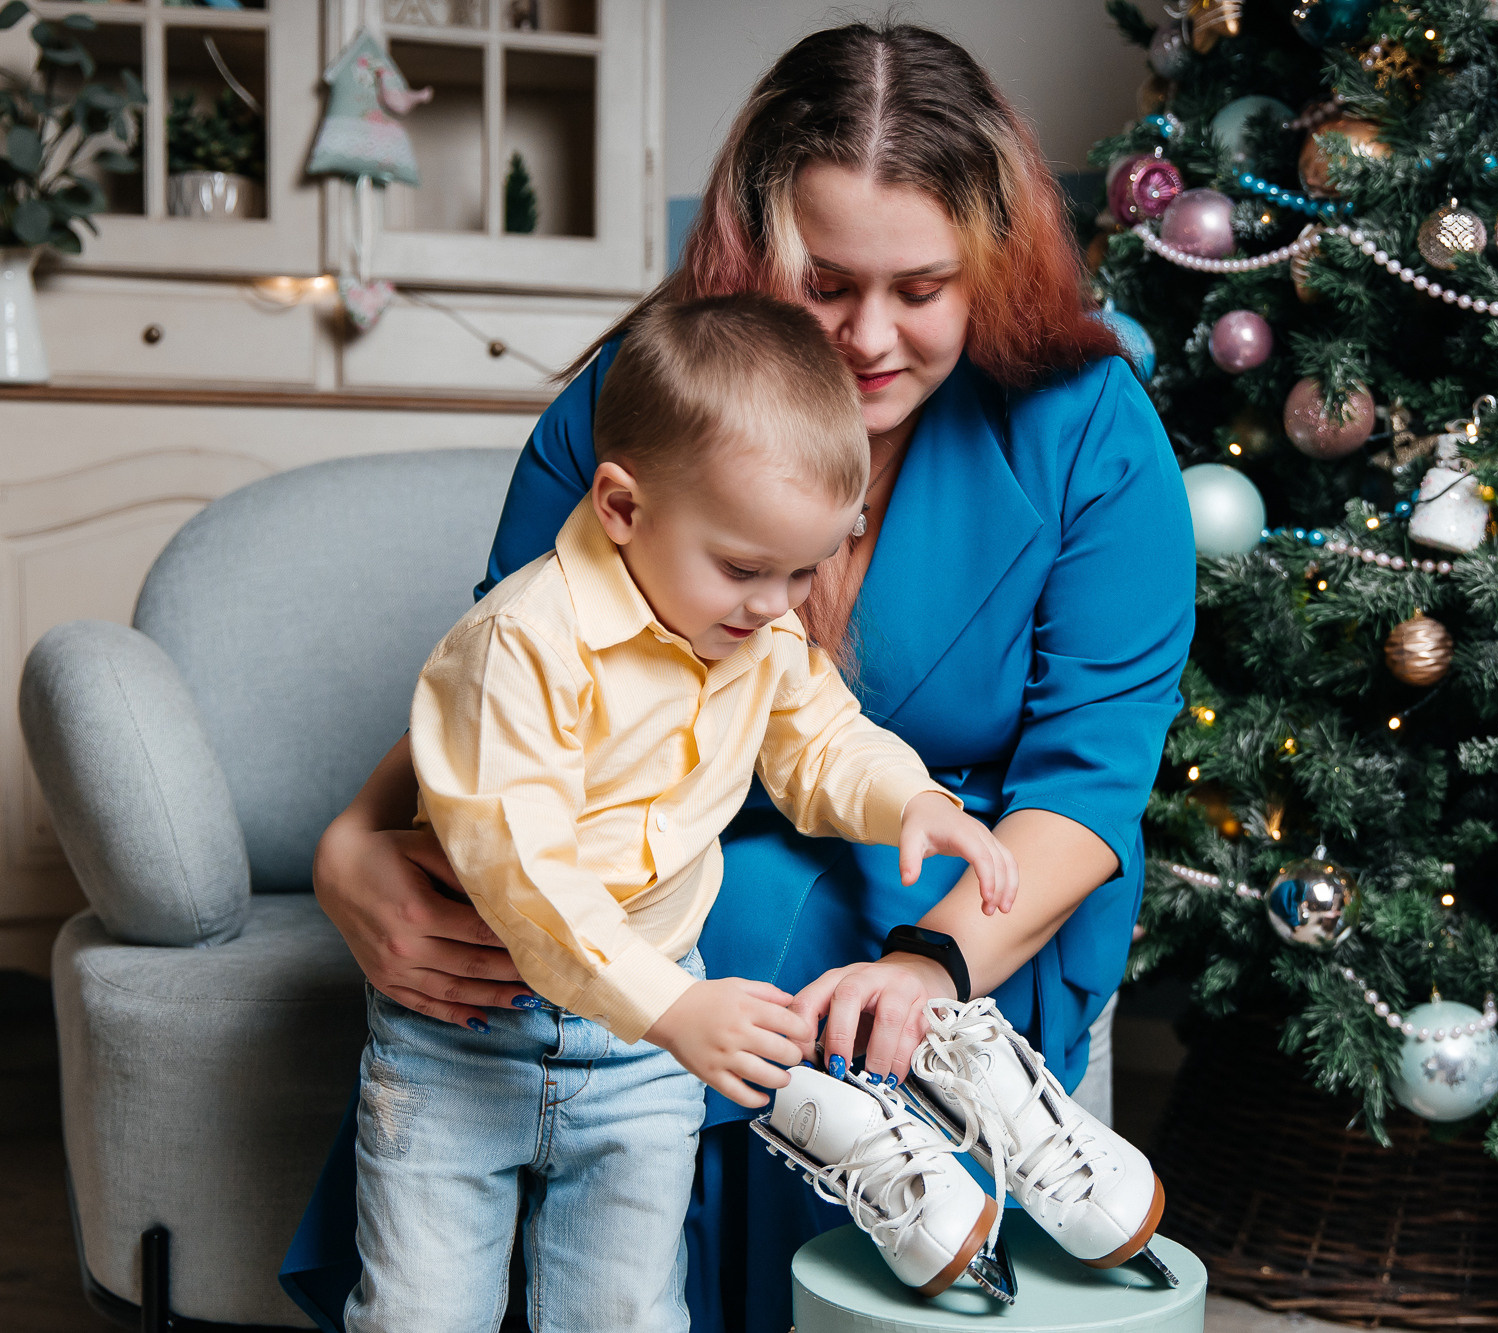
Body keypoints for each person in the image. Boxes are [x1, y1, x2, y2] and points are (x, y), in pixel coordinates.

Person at [284, 22, 1196, 1333]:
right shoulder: (637, 403)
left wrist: (937, 964)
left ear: (990, 263)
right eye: (826, 282)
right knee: (662, 931)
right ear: (757, 253)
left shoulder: (1090, 430)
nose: (870, 338)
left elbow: (1088, 786)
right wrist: (349, 847)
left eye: (923, 288)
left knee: (745, 925)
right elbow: (520, 680)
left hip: (970, 902)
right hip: (656, 864)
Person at [346, 293, 1018, 1332]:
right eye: (745, 568)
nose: (774, 604)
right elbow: (526, 876)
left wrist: (914, 801)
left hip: (642, 1053)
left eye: (805, 569)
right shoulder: (519, 648)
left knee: (624, 1308)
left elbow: (822, 741)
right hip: (467, 1033)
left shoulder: (761, 633)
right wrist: (669, 1006)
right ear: (621, 507)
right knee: (419, 1311)